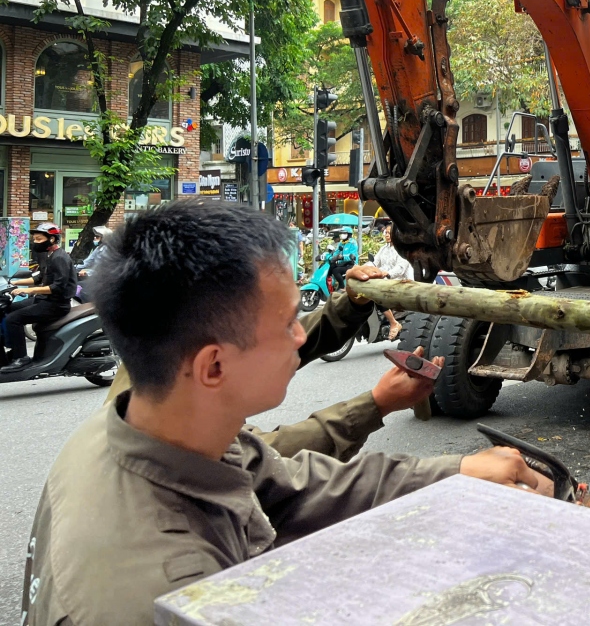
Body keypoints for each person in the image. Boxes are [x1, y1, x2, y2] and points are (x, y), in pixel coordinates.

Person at [22, 200, 552, 626]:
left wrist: (457, 472)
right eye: (287, 325)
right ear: (213, 367)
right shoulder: (159, 597)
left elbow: (299, 482)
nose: (301, 339)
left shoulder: (150, 421)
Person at [0, 223, 77, 371]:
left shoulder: (59, 258)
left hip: (56, 305)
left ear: (52, 239)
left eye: (39, 239)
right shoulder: (49, 255)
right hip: (44, 299)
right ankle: (15, 350)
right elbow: (40, 277)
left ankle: (21, 357)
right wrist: (13, 282)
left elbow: (58, 287)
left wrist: (30, 291)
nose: (35, 242)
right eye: (34, 239)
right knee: (9, 308)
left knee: (13, 319)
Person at [373, 222, 414, 340]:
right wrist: (364, 268)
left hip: (400, 284)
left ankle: (393, 323)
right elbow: (375, 262)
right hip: (384, 283)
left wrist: (388, 273)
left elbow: (401, 268)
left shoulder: (403, 250)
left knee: (378, 298)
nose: (387, 235)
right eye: (386, 232)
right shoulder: (383, 249)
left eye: (390, 233)